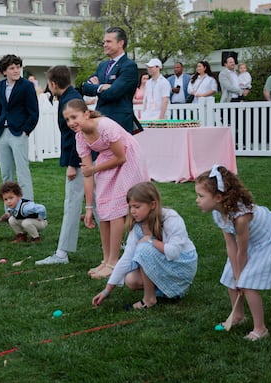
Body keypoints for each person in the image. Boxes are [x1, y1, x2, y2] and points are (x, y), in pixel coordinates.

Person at [194, 165, 271, 341]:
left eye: (201, 196)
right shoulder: (218, 212)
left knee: (249, 283)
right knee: (230, 277)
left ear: (218, 197)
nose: (197, 200)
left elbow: (242, 251)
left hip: (266, 239)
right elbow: (231, 246)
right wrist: (236, 275)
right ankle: (238, 316)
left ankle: (260, 329)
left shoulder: (241, 218)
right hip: (247, 243)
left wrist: (242, 278)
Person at [64, 99, 148, 279]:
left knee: (116, 209)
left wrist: (94, 169)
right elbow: (87, 173)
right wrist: (88, 208)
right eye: (67, 120)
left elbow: (121, 157)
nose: (71, 123)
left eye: (74, 117)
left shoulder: (105, 126)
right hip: (106, 161)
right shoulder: (80, 137)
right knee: (102, 207)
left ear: (86, 114)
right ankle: (105, 260)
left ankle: (114, 261)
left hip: (128, 158)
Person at [92, 181, 198, 309]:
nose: (132, 211)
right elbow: (126, 259)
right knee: (130, 280)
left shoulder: (171, 219)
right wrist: (106, 290)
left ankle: (149, 299)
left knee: (143, 249)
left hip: (181, 265)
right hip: (164, 262)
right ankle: (164, 292)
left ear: (152, 204)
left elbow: (174, 252)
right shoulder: (138, 226)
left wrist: (150, 241)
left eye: (137, 207)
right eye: (130, 207)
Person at [37, 65, 84, 266]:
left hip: (80, 160)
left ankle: (62, 253)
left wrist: (73, 164)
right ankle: (122, 244)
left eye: (49, 84)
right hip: (85, 160)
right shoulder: (70, 97)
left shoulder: (69, 103)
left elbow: (78, 136)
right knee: (99, 204)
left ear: (54, 84)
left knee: (72, 204)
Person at [0, 54, 39, 206]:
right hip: (2, 133)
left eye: (18, 67)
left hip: (19, 133)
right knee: (6, 174)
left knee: (22, 172)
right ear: (4, 71)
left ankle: (27, 207)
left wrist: (26, 130)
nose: (16, 70)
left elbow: (34, 112)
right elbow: (0, 109)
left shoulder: (26, 86)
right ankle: (10, 210)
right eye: (12, 68)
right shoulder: (0, 86)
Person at [80, 27, 138, 133]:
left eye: (108, 41)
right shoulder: (102, 65)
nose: (105, 45)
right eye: (104, 42)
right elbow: (85, 88)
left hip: (118, 122)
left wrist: (96, 87)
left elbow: (113, 93)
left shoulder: (129, 66)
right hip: (99, 119)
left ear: (120, 43)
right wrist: (101, 87)